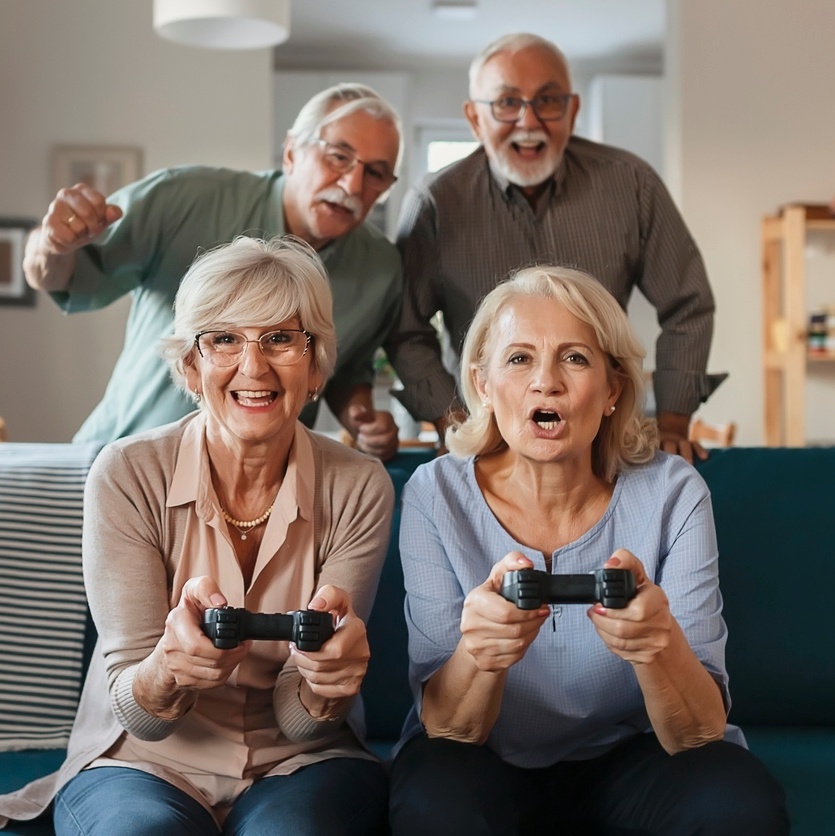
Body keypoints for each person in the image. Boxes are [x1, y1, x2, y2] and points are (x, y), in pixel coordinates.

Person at [0, 236, 394, 834]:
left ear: (315, 365)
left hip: (301, 762)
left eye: (280, 338)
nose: (253, 366)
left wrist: (325, 686)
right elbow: (140, 709)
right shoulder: (128, 473)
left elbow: (299, 718)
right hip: (144, 759)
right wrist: (169, 671)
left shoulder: (360, 486)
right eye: (224, 340)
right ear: (191, 365)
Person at [388, 265, 788, 834]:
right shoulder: (434, 494)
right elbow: (451, 728)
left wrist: (658, 646)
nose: (545, 382)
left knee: (738, 801)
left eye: (574, 358)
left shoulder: (673, 493)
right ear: (482, 385)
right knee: (433, 799)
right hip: (486, 759)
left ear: (611, 390)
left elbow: (698, 732)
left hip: (635, 760)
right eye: (519, 358)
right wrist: (480, 652)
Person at [386, 32, 726, 464]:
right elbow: (406, 330)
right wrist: (455, 422)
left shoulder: (631, 185)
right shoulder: (435, 202)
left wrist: (674, 421)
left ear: (573, 111)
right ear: (474, 119)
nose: (529, 122)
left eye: (547, 101)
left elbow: (688, 304)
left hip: (600, 443)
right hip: (486, 445)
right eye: (507, 103)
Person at [23, 83, 403, 460]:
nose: (352, 183)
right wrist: (52, 243)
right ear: (291, 152)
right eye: (338, 156)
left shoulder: (381, 270)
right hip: (123, 459)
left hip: (260, 488)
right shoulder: (184, 198)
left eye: (376, 173)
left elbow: (346, 369)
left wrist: (362, 420)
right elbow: (67, 279)